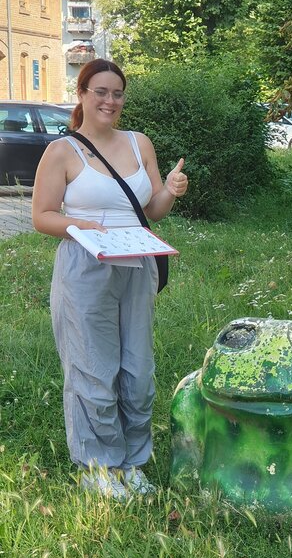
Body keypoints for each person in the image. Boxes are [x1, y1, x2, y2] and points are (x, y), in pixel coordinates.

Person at [32, 59, 188, 499]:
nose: (110, 101)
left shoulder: (140, 144)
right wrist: (85, 229)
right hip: (86, 266)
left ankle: (132, 462)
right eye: (100, 91)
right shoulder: (63, 151)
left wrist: (170, 191)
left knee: (137, 370)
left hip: (136, 263)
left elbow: (152, 210)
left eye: (117, 93)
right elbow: (41, 217)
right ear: (82, 93)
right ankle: (99, 466)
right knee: (92, 368)